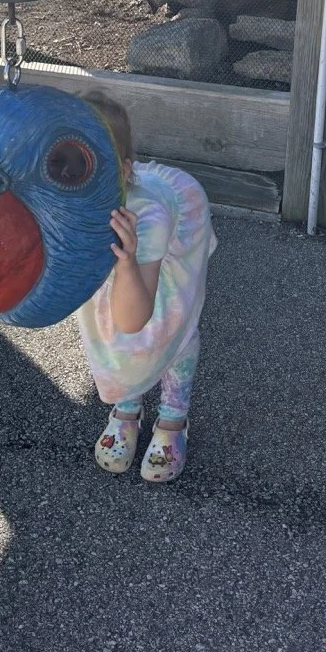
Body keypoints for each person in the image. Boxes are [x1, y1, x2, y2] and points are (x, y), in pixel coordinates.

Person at [76, 91, 216, 483]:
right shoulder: (67, 207)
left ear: (122, 172)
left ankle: (173, 417)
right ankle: (127, 406)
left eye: (89, 166)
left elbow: (133, 318)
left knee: (171, 330)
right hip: (126, 259)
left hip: (155, 258)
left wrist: (126, 262)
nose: (76, 183)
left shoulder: (147, 219)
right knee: (108, 335)